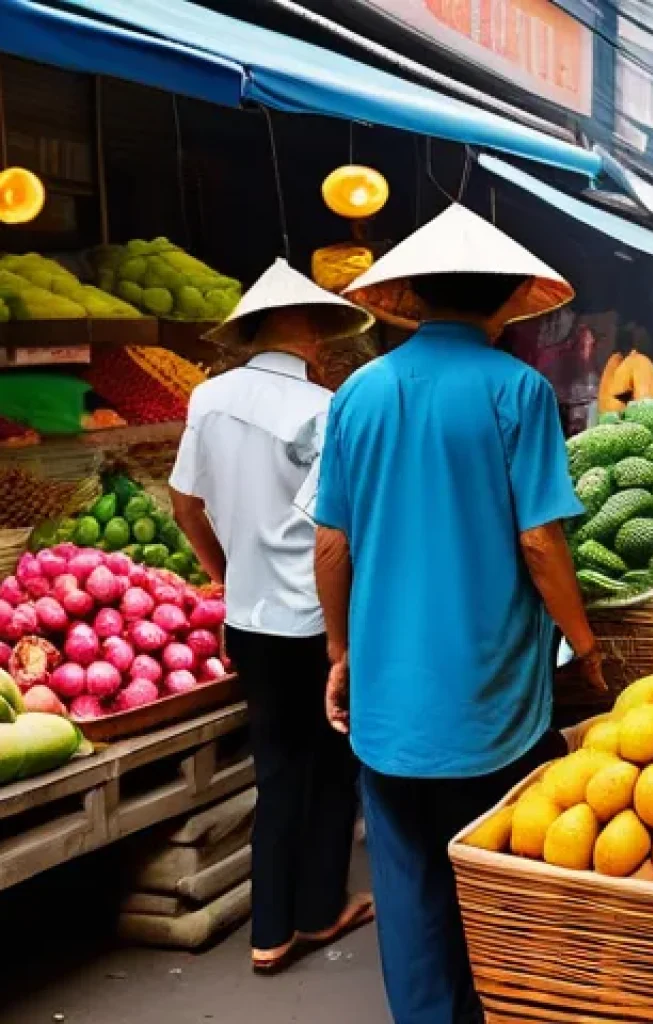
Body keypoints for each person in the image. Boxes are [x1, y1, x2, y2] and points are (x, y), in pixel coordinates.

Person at [307, 204, 607, 1024]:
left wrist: (339, 652)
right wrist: (586, 648)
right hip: (493, 702)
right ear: (510, 298)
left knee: (405, 885)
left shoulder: (357, 394)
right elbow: (542, 544)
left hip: (388, 699)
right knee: (498, 874)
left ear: (410, 294)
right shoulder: (519, 389)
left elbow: (330, 546)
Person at [168, 260, 376, 974]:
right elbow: (337, 534)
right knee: (330, 766)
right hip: (319, 622)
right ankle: (317, 911)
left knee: (278, 767)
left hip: (249, 619)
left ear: (252, 331)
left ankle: (269, 930)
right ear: (312, 333)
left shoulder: (207, 398)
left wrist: (225, 577)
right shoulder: (329, 408)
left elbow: (184, 505)